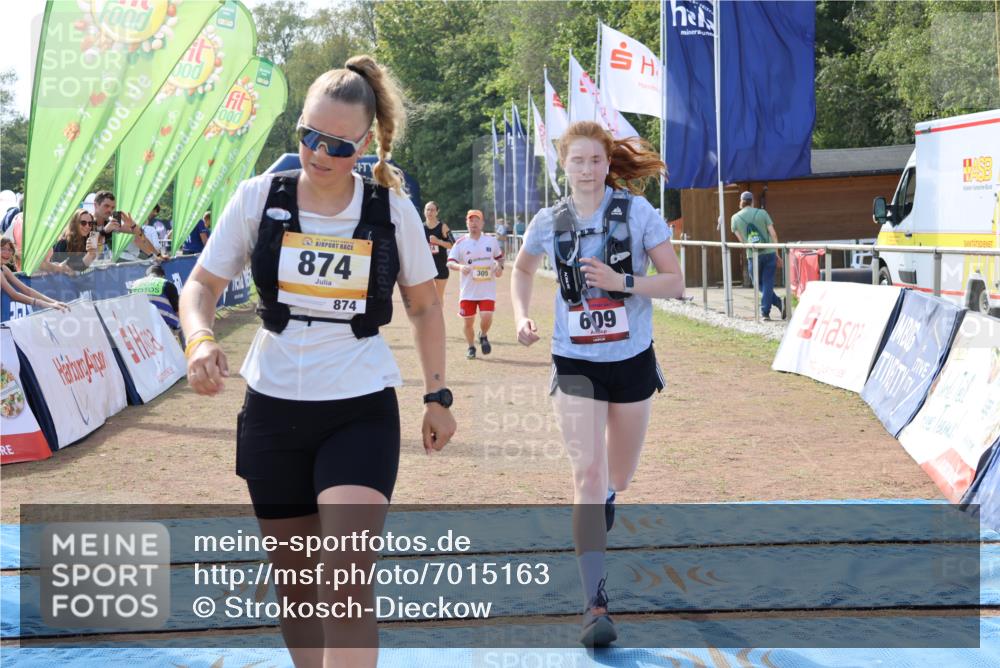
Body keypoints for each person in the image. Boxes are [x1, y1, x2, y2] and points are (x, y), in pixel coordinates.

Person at [179, 54, 455, 668]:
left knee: (347, 583)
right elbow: (199, 287)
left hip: (359, 409)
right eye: (309, 136)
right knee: (299, 589)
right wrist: (199, 339)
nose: (319, 154)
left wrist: (438, 395)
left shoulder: (391, 208)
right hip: (273, 411)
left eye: (336, 143)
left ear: (365, 143)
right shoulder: (258, 198)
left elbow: (426, 308)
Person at [510, 121, 684, 647]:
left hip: (631, 359)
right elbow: (521, 270)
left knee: (619, 476)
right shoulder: (548, 220)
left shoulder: (637, 214)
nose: (586, 170)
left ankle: (609, 491)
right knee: (586, 471)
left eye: (595, 161)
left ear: (608, 164)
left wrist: (622, 282)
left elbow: (675, 282)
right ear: (563, 166)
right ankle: (594, 604)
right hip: (574, 361)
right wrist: (521, 316)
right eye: (577, 161)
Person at [447, 209, 504, 360]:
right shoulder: (460, 243)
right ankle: (471, 347)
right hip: (468, 290)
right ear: (467, 223)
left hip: (487, 289)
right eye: (471, 220)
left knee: (486, 316)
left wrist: (499, 267)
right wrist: (461, 267)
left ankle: (483, 335)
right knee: (468, 322)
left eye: (477, 220)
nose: (474, 223)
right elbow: (450, 262)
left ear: (482, 223)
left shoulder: (491, 241)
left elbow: (499, 258)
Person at [731, 190, 783, 320]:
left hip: (752, 254)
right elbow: (774, 234)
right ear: (752, 201)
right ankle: (777, 303)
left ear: (741, 202)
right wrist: (777, 254)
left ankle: (766, 311)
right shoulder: (762, 213)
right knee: (768, 282)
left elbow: (742, 241)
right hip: (769, 251)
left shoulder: (735, 218)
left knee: (757, 283)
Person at [92, 190, 158, 262]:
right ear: (96, 205)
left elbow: (139, 235)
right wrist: (104, 231)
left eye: (112, 207)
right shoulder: (86, 220)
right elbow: (88, 245)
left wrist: (133, 226)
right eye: (106, 206)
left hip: (102, 265)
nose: (110, 210)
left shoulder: (111, 222)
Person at [1, 254, 68, 312]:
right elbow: (14, 295)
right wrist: (47, 304)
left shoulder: (4, 268)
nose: (7, 253)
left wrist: (54, 302)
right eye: (2, 249)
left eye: (10, 250)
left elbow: (26, 289)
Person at [128, 263, 180, 334]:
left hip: (140, 322)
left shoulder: (134, 284)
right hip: (163, 322)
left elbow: (131, 306)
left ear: (146, 276)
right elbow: (177, 310)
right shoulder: (166, 283)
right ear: (162, 276)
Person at [423, 200, 454, 303]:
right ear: (424, 211)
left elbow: (453, 244)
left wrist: (438, 241)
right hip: (425, 267)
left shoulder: (443, 227)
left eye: (432, 210)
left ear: (437, 212)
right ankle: (428, 318)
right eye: (427, 209)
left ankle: (438, 319)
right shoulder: (420, 227)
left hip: (440, 266)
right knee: (427, 296)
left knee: (438, 297)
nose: (430, 212)